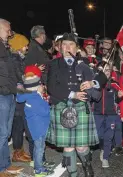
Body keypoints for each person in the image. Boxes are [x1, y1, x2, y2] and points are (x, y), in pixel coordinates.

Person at [45, 33, 101, 177]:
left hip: (81, 107)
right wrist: (72, 94)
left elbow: (101, 77)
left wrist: (93, 83)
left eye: (71, 44)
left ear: (76, 48)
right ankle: (73, 173)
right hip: (62, 106)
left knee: (82, 146)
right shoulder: (53, 64)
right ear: (59, 47)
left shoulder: (86, 62)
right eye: (64, 44)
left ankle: (87, 164)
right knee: (68, 146)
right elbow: (51, 87)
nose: (67, 47)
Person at [17, 65, 54, 177]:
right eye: (40, 84)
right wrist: (49, 106)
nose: (42, 85)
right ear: (36, 87)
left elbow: (19, 96)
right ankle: (38, 170)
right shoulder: (35, 99)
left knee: (38, 148)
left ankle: (38, 164)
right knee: (40, 149)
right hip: (39, 129)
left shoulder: (29, 96)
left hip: (35, 128)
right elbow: (44, 112)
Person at [0, 18, 25, 177]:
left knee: (6, 132)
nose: (10, 33)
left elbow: (10, 69)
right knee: (2, 132)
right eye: (8, 30)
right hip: (1, 94)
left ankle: (5, 165)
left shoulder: (5, 46)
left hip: (9, 93)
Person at [8, 33, 32, 163]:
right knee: (18, 125)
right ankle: (17, 153)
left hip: (18, 96)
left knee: (19, 124)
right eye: (25, 45)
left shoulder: (18, 58)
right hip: (17, 97)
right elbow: (20, 79)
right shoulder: (15, 59)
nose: (26, 48)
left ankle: (19, 151)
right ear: (18, 46)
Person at [93, 66, 123, 168]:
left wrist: (120, 96)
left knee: (109, 137)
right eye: (104, 70)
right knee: (98, 135)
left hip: (111, 115)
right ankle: (102, 148)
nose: (106, 72)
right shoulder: (94, 83)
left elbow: (118, 101)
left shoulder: (115, 84)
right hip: (97, 114)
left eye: (108, 70)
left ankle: (105, 157)